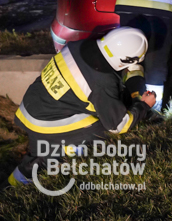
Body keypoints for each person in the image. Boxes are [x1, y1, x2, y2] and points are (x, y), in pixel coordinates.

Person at [6, 27, 156, 188]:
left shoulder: (78, 45)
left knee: (38, 153)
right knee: (102, 132)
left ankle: (12, 184)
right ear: (126, 59)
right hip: (46, 122)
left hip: (32, 107)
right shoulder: (101, 82)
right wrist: (143, 105)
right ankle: (70, 151)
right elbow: (119, 125)